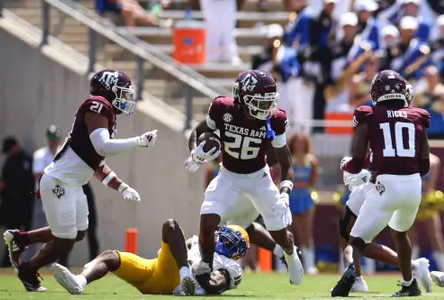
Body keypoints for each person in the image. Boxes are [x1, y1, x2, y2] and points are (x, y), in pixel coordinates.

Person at [3, 69, 159, 292]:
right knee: (65, 239)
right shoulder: (97, 104)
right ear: (108, 90)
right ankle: (28, 269)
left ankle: (22, 239)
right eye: (122, 93)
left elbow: (96, 163)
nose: (125, 99)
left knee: (78, 233)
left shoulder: (106, 115)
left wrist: (122, 187)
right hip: (59, 181)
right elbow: (102, 147)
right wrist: (139, 141)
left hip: (72, 184)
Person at [184, 69, 303, 285]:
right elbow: (197, 131)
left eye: (270, 102)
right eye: (260, 102)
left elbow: (286, 164)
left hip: (259, 178)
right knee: (208, 218)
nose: (267, 108)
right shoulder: (223, 108)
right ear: (243, 98)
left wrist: (285, 193)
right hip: (228, 175)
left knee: (280, 234)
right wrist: (195, 151)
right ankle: (206, 266)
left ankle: (290, 254)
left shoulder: (275, 120)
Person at [332, 70, 431, 297]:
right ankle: (409, 284)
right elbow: (424, 166)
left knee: (355, 241)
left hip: (385, 185)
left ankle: (352, 274)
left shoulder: (369, 115)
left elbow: (357, 163)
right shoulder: (418, 116)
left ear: (375, 93)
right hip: (413, 186)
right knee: (400, 232)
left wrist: (348, 167)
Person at [51, 219, 248, 296]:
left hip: (178, 281)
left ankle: (185, 273)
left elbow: (213, 284)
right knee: (111, 256)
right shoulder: (201, 243)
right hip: (156, 270)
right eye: (224, 238)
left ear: (237, 252)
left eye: (230, 243)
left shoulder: (229, 265)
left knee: (170, 225)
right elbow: (179, 247)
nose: (223, 242)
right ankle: (79, 281)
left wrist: (194, 264)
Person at [23, 125, 63, 262]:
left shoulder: (62, 153)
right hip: (43, 196)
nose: (54, 142)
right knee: (37, 228)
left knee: (59, 230)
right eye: (51, 139)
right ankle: (28, 261)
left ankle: (53, 260)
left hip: (58, 196)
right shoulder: (40, 155)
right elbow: (39, 176)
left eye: (56, 139)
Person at [0, 137, 34, 267]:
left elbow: (23, 185)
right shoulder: (10, 160)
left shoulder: (26, 161)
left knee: (12, 238)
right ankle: (6, 263)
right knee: (11, 237)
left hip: (18, 207)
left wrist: (5, 186)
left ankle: (6, 264)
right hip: (7, 205)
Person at [286, 132, 318, 275]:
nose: (299, 144)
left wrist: (298, 184)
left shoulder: (311, 161)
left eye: (301, 141)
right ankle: (286, 265)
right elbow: (284, 179)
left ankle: (309, 265)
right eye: (296, 141)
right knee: (287, 233)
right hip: (290, 199)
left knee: (306, 233)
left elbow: (312, 181)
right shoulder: (288, 159)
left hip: (305, 198)